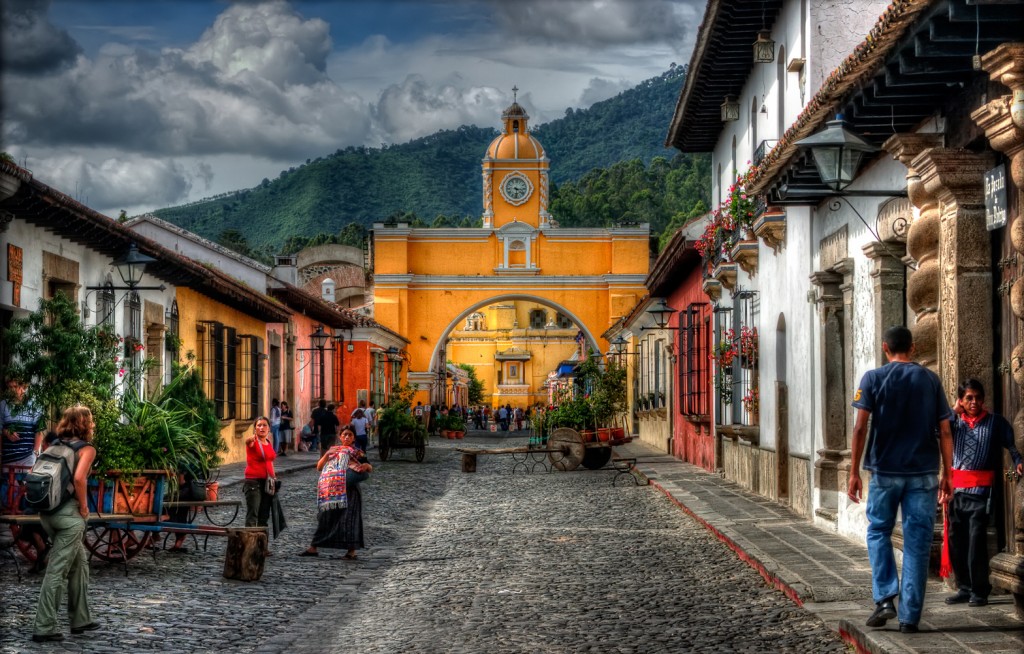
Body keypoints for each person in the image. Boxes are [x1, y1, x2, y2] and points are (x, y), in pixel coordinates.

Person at [848, 325, 954, 634]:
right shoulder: (931, 380)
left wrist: (854, 471)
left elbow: (859, 428)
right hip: (923, 473)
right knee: (918, 543)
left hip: (884, 471)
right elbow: (945, 430)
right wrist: (948, 473)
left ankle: (884, 598)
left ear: (885, 347)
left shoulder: (873, 379)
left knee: (879, 531)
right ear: (913, 347)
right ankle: (910, 617)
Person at [942, 378, 1024, 607]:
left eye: (978, 397)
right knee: (957, 541)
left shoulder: (995, 422)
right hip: (957, 492)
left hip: (981, 493)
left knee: (976, 542)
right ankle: (964, 588)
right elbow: (934, 429)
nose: (974, 402)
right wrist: (954, 411)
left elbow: (1013, 443)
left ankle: (980, 591)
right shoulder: (954, 424)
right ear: (961, 400)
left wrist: (1018, 460)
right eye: (968, 398)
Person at [32, 405, 99, 642]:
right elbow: (80, 479)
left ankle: (81, 618)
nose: (93, 424)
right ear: (84, 424)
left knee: (79, 564)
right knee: (56, 571)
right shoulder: (86, 449)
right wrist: (83, 507)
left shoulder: (56, 445)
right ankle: (44, 626)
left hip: (47, 513)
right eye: (90, 421)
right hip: (69, 518)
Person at [300, 427, 372, 559]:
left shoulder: (357, 453)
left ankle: (351, 552)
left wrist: (365, 467)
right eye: (344, 435)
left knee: (350, 520)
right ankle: (313, 548)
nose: (347, 437)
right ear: (340, 436)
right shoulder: (333, 451)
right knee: (325, 517)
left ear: (354, 438)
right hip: (331, 491)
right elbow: (319, 467)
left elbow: (369, 467)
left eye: (350, 435)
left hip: (350, 492)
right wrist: (327, 455)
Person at [1, 377, 46, 468]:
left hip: (28, 457)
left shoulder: (35, 405)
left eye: (15, 386)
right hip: (8, 457)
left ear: (23, 387)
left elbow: (39, 430)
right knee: (8, 482)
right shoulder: (3, 405)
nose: (12, 390)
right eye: (10, 387)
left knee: (26, 482)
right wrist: (6, 432)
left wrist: (35, 453)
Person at [243, 417, 277, 530]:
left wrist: (274, 477)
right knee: (253, 514)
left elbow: (270, 462)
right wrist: (250, 439)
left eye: (264, 425)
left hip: (267, 483)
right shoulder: (253, 442)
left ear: (269, 428)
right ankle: (250, 545)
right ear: (255, 428)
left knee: (264, 516)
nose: (261, 427)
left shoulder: (268, 442)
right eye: (259, 425)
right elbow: (247, 442)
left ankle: (262, 545)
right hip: (253, 482)